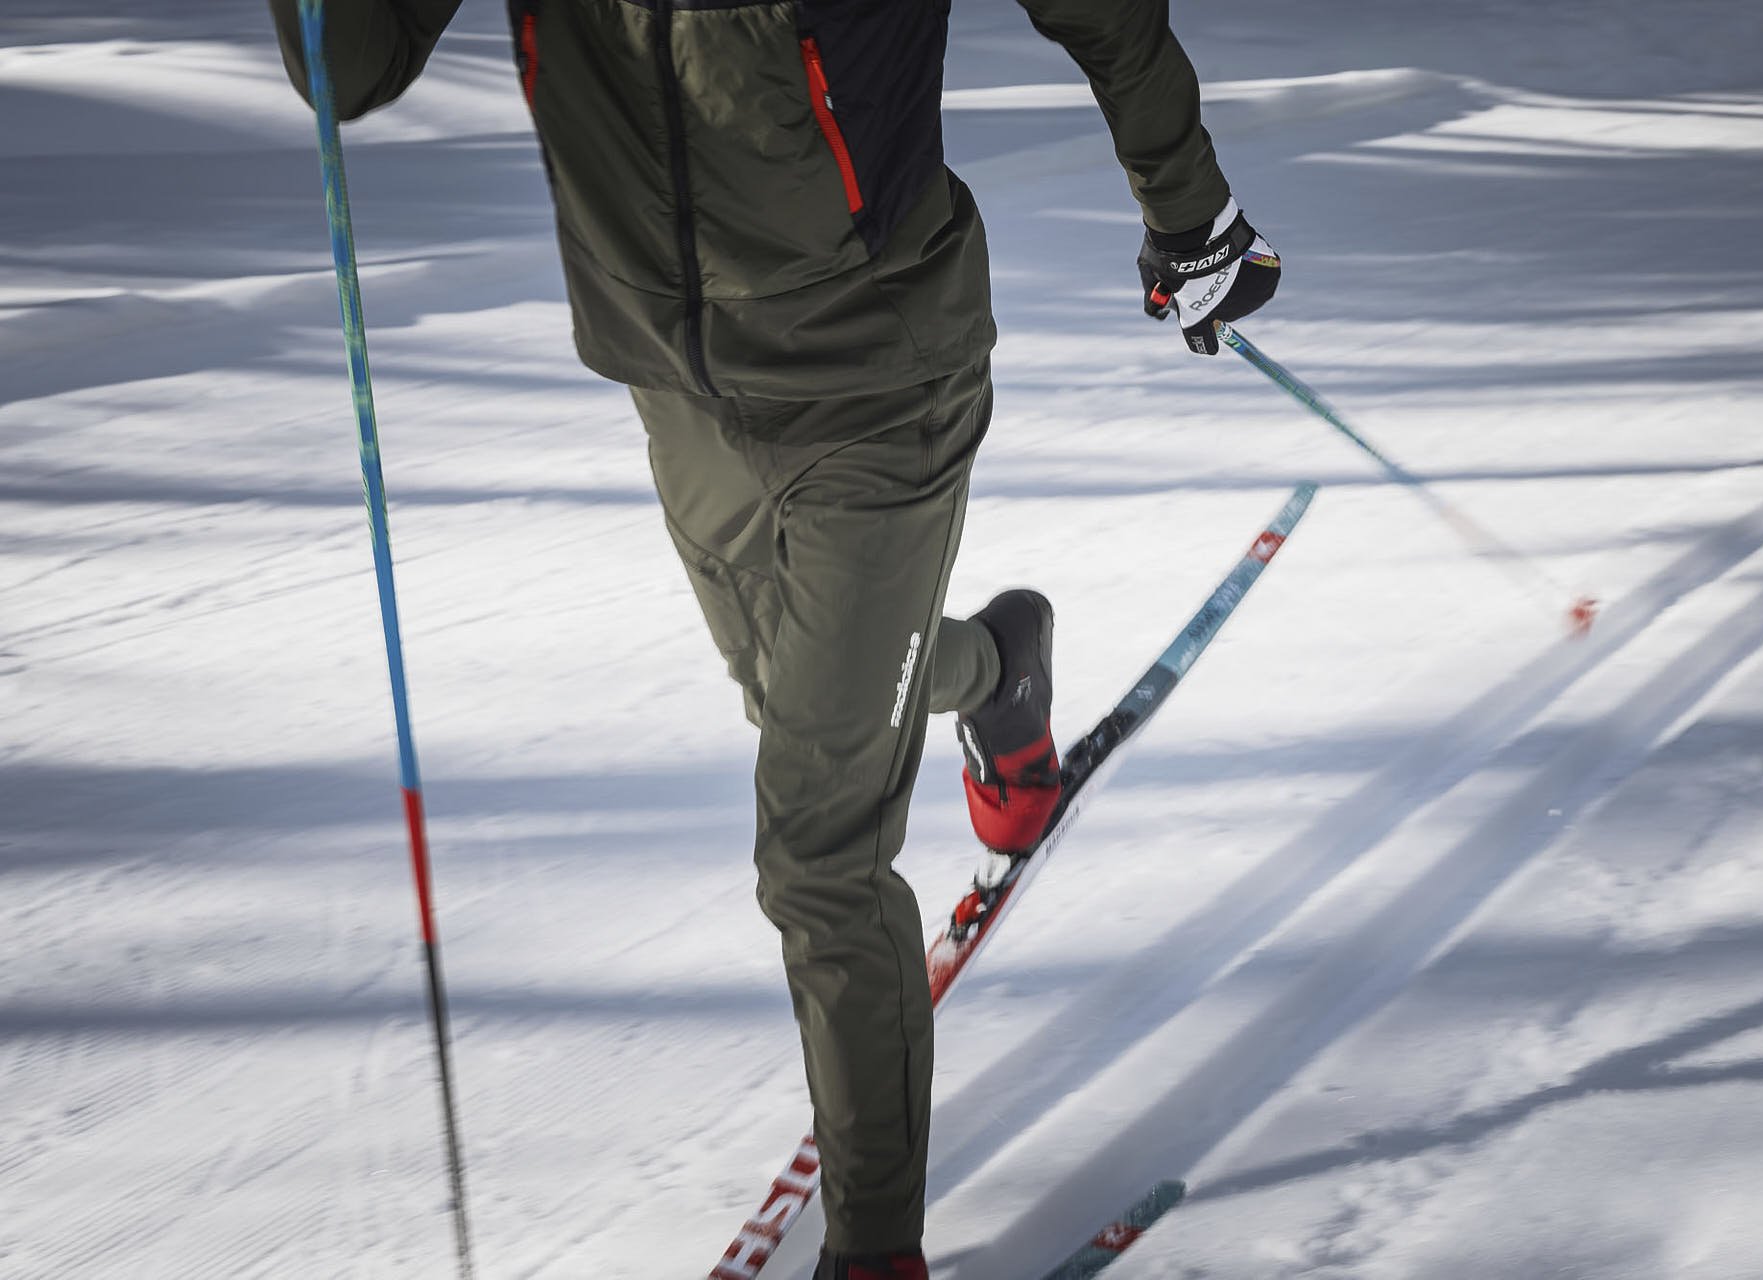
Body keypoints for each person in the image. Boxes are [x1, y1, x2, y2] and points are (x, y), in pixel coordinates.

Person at [269, 2, 1278, 1275]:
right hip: (675, 379)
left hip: (877, 378)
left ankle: (875, 1248)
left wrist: (1189, 211)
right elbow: (351, 66)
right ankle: (996, 673)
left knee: (820, 850)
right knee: (791, 692)